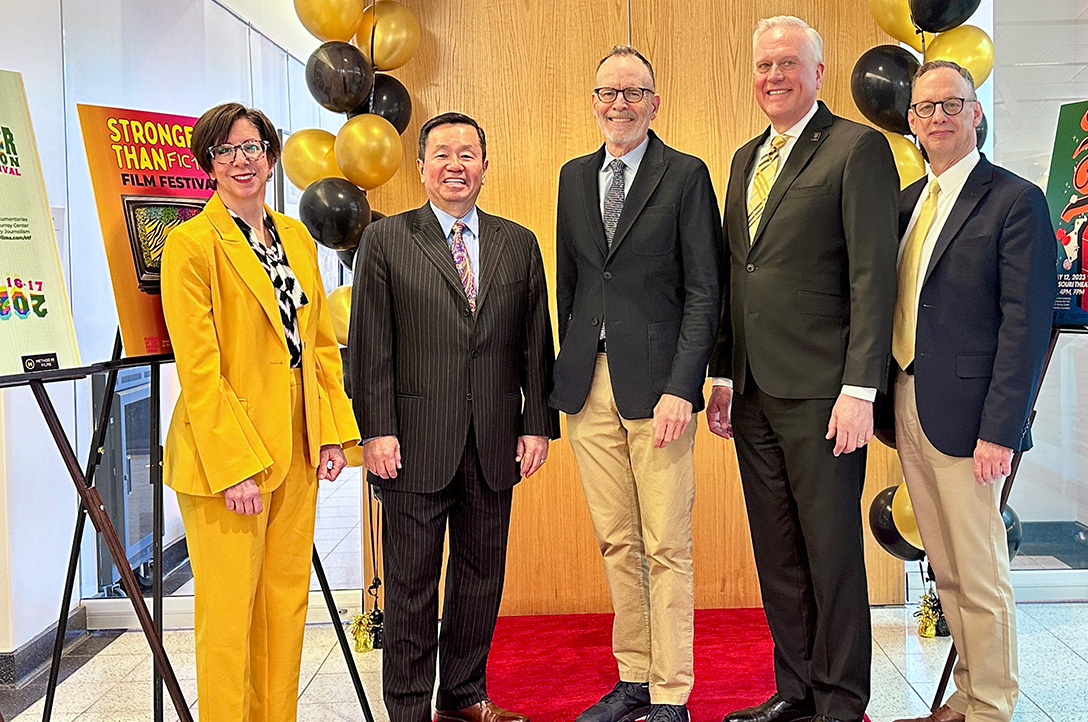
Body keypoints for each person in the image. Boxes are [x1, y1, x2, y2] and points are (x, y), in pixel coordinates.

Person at [706, 15, 899, 722]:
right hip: (754, 392)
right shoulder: (742, 159)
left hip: (825, 393)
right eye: (763, 65)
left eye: (789, 63)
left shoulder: (857, 148)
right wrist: (723, 377)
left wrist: (859, 388)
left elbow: (874, 276)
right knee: (778, 553)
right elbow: (738, 274)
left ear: (818, 73)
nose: (774, 76)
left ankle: (842, 703)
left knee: (832, 553)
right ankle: (796, 693)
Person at [349, 112, 557, 722]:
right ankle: (410, 708)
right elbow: (370, 345)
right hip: (412, 442)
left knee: (479, 579)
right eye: (442, 154)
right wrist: (377, 430)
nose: (455, 165)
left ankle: (464, 695)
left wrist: (537, 422)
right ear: (420, 168)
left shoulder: (518, 243)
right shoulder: (386, 240)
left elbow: (533, 342)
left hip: (494, 441)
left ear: (486, 168)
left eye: (468, 154)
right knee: (411, 587)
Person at [161, 102, 359, 722]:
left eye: (252, 148)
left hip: (296, 447)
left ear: (271, 157)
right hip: (229, 458)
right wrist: (235, 466)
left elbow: (320, 346)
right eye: (226, 151)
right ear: (209, 164)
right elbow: (199, 371)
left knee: (283, 609)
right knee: (227, 623)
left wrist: (331, 436)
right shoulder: (191, 244)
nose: (241, 161)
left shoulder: (295, 236)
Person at [878, 61, 1055, 722]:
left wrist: (1001, 430)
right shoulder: (906, 203)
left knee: (980, 573)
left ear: (975, 112)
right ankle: (966, 696)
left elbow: (1026, 325)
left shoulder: (1013, 200)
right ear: (913, 123)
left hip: (974, 418)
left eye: (952, 104)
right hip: (908, 403)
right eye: (925, 109)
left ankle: (993, 707)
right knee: (945, 566)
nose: (938, 118)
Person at [551, 46, 721, 722]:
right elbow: (570, 284)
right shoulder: (571, 177)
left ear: (656, 101)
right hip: (587, 389)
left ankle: (673, 692)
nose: (619, 104)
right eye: (608, 92)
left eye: (634, 92)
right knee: (618, 541)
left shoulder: (685, 176)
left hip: (659, 393)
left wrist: (685, 386)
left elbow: (705, 292)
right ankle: (635, 681)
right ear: (593, 101)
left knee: (666, 546)